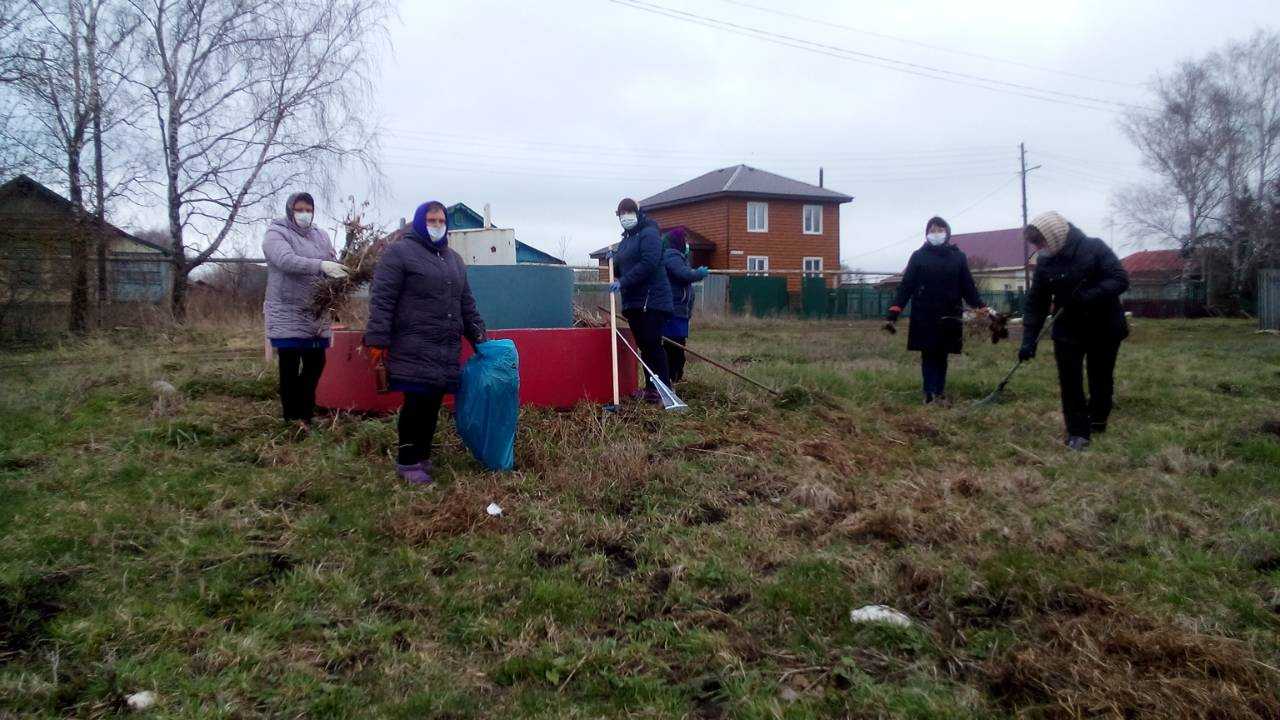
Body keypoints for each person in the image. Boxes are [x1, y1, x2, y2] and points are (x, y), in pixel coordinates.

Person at [364, 201, 487, 484]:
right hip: (412, 343)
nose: (436, 225)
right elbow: (383, 299)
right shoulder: (399, 253)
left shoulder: (453, 259)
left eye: (441, 220)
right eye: (431, 220)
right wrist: (378, 339)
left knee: (432, 403)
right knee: (416, 402)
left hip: (443, 346)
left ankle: (422, 456)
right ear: (420, 222)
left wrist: (480, 336)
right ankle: (407, 461)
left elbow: (466, 303)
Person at [1018, 211, 1129, 452]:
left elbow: (1120, 279)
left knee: (1100, 377)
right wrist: (1029, 339)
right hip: (1068, 328)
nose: (1040, 248)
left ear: (1055, 235)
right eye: (1036, 245)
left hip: (1104, 325)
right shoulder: (1046, 262)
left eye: (1041, 242)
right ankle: (1078, 431)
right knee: (1070, 380)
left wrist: (1087, 297)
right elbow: (1036, 301)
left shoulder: (1094, 248)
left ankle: (1098, 418)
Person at [263, 192, 350, 425]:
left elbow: (331, 259)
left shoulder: (320, 235)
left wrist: (340, 269)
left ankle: (305, 412)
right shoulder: (276, 233)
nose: (304, 214)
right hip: (287, 308)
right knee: (290, 364)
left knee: (316, 362)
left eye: (309, 210)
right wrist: (321, 265)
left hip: (315, 309)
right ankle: (291, 417)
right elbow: (286, 261)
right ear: (290, 210)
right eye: (299, 209)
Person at [884, 216, 990, 404]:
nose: (936, 233)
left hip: (950, 313)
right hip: (924, 313)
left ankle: (939, 392)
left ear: (947, 233)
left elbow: (968, 286)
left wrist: (981, 306)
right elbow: (906, 286)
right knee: (928, 353)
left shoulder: (958, 257)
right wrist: (895, 309)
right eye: (932, 230)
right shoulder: (918, 256)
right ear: (926, 234)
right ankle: (929, 393)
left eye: (939, 229)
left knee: (943, 353)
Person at [611, 198, 673, 404]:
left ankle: (665, 389)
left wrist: (624, 282)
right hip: (634, 302)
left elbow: (649, 263)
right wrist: (613, 260)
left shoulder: (649, 234)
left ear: (637, 212)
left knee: (653, 344)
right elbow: (621, 268)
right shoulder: (626, 240)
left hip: (652, 299)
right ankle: (651, 389)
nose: (625, 217)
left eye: (628, 212)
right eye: (621, 213)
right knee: (644, 346)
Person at [660, 228, 709, 383]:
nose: (687, 245)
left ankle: (673, 377)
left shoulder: (677, 256)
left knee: (677, 345)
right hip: (673, 311)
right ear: (678, 242)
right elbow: (683, 274)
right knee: (674, 347)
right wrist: (698, 274)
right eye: (685, 241)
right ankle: (672, 378)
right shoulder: (671, 255)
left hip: (679, 311)